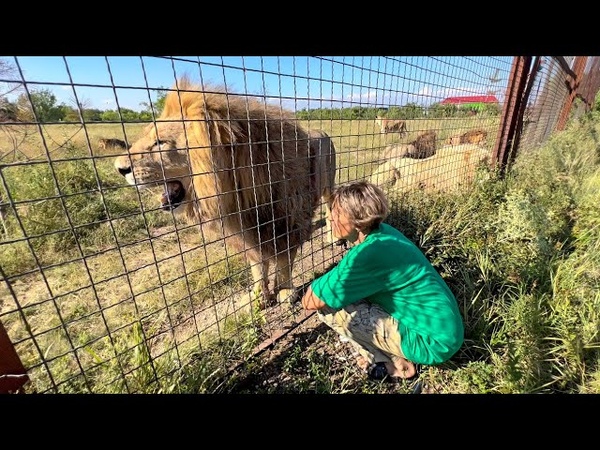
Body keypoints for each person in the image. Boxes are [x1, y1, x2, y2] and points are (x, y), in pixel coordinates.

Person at [301, 180, 464, 381]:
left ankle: (392, 363)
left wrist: (330, 278)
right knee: (348, 295)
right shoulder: (386, 233)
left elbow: (310, 301)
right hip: (446, 331)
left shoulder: (366, 255)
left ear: (355, 219)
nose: (330, 217)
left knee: (329, 308)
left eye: (335, 212)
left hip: (432, 343)